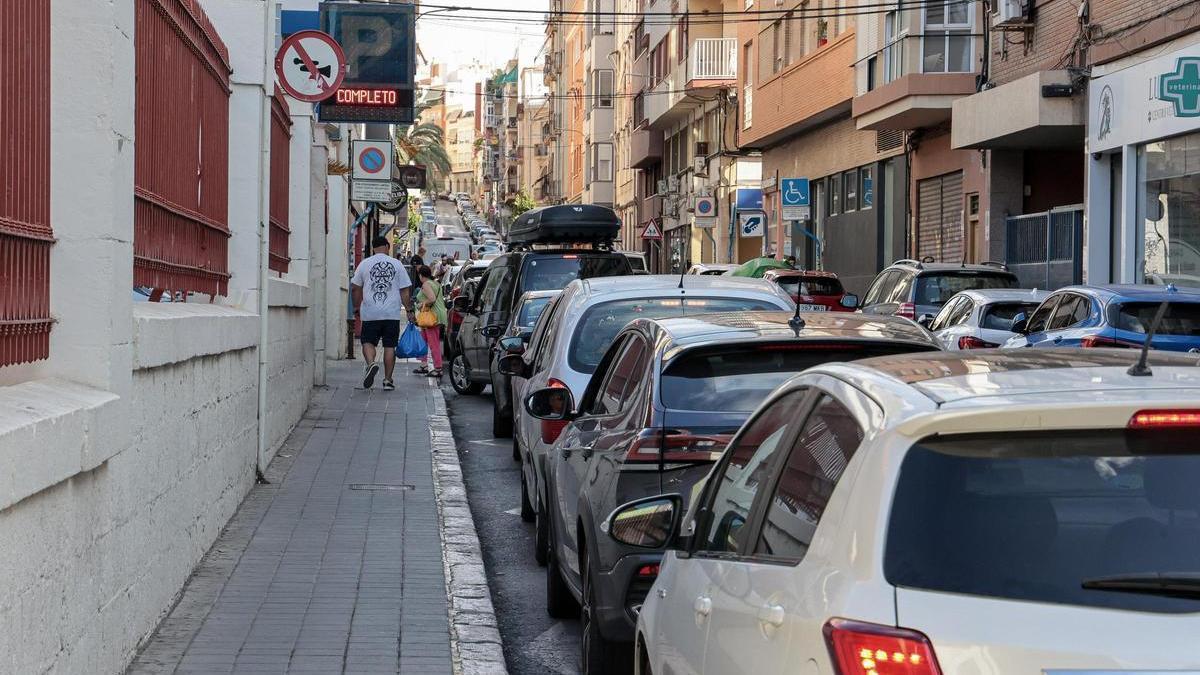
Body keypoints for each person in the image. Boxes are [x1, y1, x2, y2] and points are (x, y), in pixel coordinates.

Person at [351, 236, 413, 391]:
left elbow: (355, 288)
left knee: (368, 342)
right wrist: (409, 310)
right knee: (389, 346)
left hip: (370, 312)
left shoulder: (364, 264)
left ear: (373, 248)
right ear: (387, 246)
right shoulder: (397, 264)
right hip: (391, 313)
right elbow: (405, 291)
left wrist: (357, 306)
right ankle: (387, 380)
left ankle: (371, 364)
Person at [412, 265, 447, 378]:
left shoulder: (426, 284)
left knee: (433, 343)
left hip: (431, 317)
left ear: (421, 275)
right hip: (433, 315)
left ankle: (438, 368)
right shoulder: (435, 283)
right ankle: (424, 365)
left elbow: (431, 299)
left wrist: (421, 304)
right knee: (423, 341)